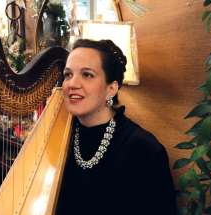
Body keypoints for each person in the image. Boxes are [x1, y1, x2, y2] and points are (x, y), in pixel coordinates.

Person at [56, 39, 177, 215]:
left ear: (111, 89)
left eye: (87, 74)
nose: (72, 84)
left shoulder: (144, 149)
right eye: (68, 74)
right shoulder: (61, 134)